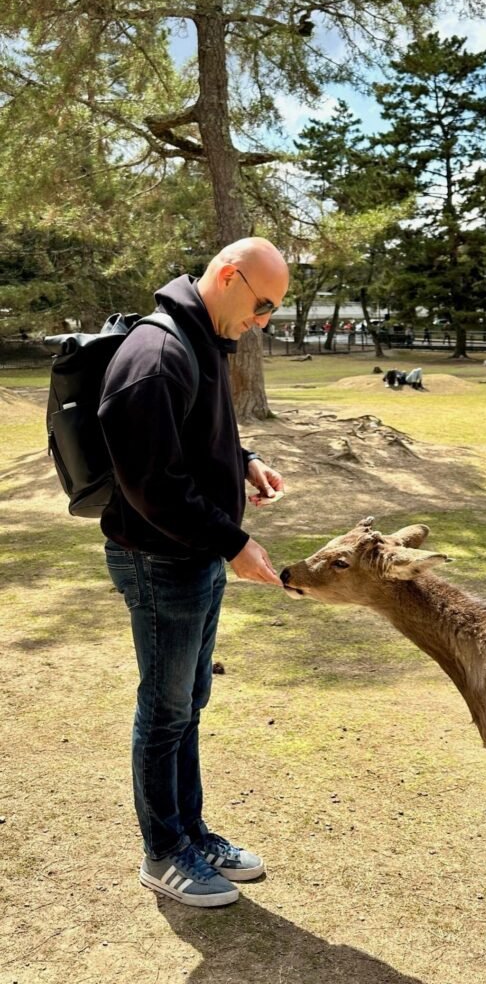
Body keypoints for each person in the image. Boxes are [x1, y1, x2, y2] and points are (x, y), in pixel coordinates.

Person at [98, 237, 289, 908]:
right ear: (228, 276)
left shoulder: (201, 338)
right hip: (158, 561)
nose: (262, 322)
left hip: (193, 556)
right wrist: (234, 543)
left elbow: (201, 436)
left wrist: (245, 460)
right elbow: (154, 482)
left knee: (189, 705)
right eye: (262, 305)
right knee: (166, 708)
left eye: (274, 312)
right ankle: (164, 852)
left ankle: (190, 831)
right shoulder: (154, 355)